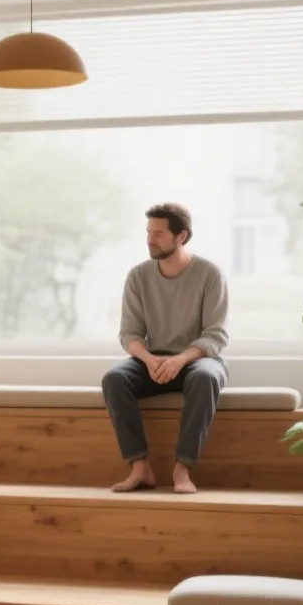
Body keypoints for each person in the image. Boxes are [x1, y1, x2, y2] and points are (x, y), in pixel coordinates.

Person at [103, 202, 230, 495]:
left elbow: (216, 335)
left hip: (197, 359)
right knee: (115, 378)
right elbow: (129, 334)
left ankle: (182, 469)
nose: (150, 239)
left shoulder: (209, 275)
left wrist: (181, 359)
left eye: (159, 233)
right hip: (152, 358)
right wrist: (148, 358)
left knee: (206, 378)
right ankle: (139, 467)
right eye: (148, 232)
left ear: (181, 236)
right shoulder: (138, 276)